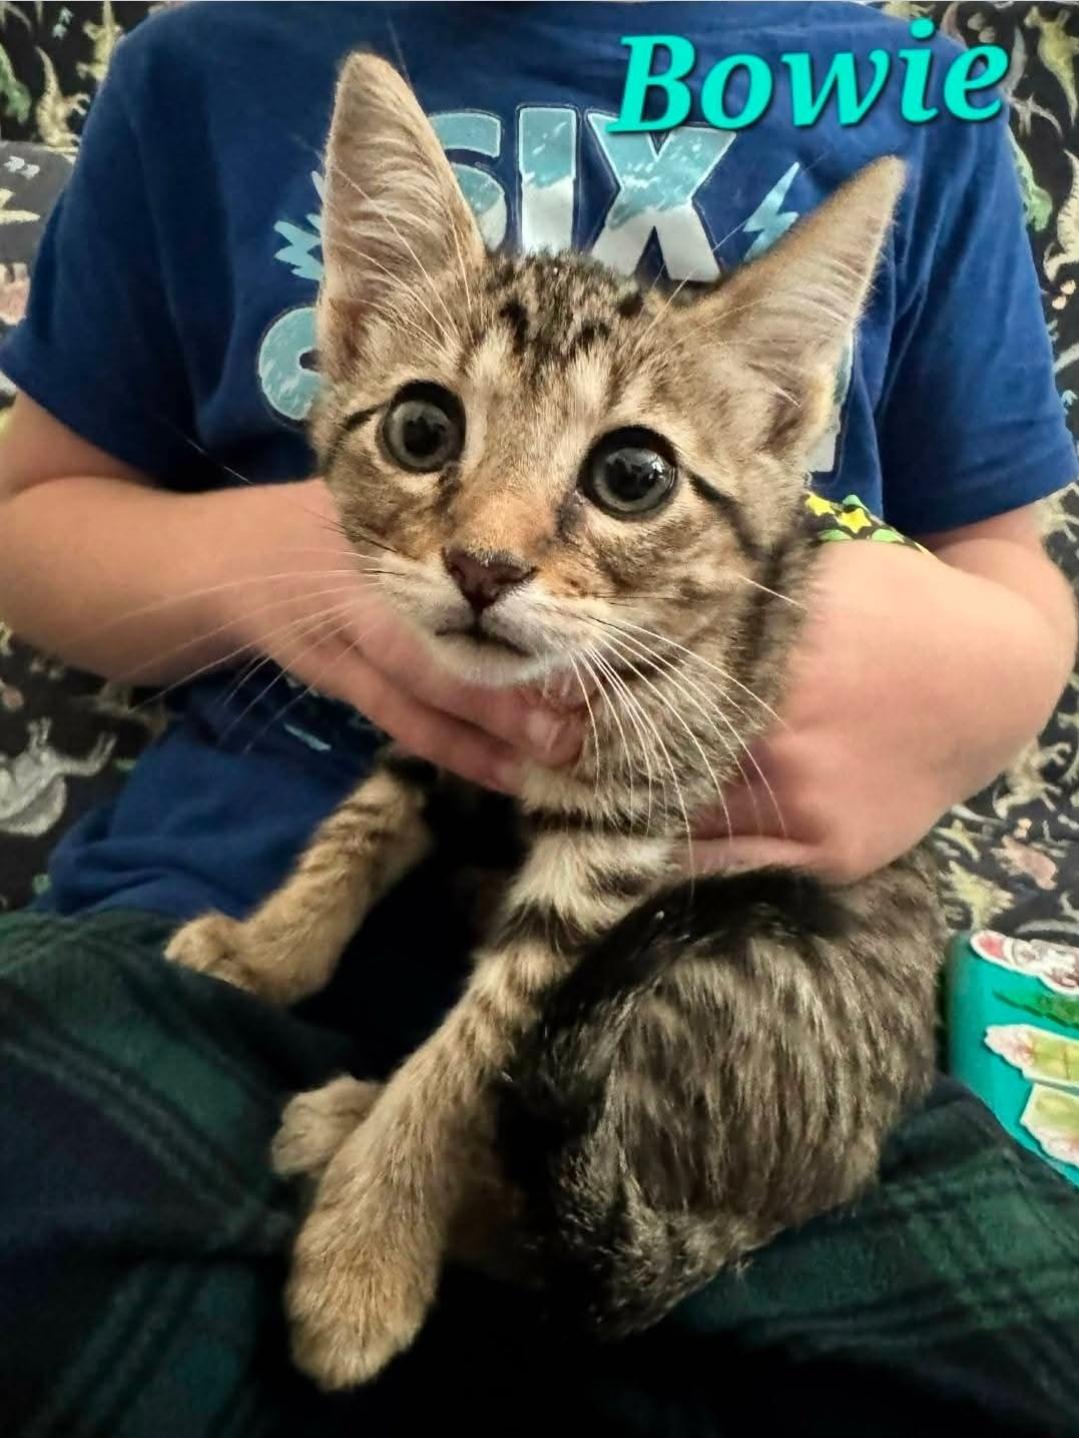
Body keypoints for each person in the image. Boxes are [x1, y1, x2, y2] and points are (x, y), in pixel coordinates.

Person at [0, 3, 1077, 1434]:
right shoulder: (203, 71)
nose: (493, 548)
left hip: (727, 946)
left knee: (1020, 1365)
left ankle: (504, 1197)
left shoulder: (911, 102)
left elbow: (1017, 569)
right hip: (213, 903)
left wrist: (970, 666)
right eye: (433, 434)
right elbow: (30, 513)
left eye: (621, 473)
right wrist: (284, 583)